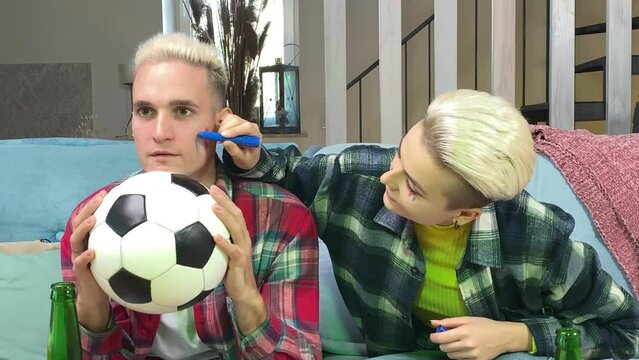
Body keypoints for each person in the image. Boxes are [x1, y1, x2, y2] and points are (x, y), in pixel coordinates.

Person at [219, 89, 639, 359]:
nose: (388, 178)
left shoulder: (536, 236)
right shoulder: (358, 176)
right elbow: (282, 171)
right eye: (401, 153)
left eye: (414, 189)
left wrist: (515, 336)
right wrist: (253, 153)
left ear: (466, 214)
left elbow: (627, 331)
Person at [60, 33, 321, 359]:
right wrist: (93, 311)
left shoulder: (283, 220)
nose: (159, 133)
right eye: (145, 111)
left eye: (182, 111)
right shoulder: (90, 222)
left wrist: (247, 301)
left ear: (221, 122)